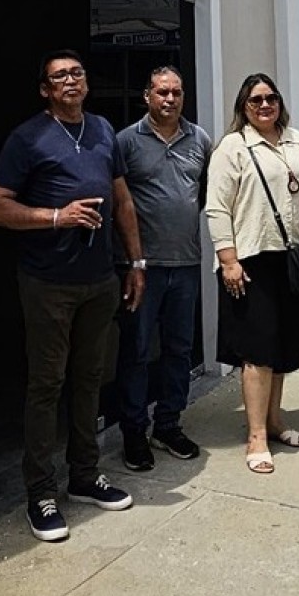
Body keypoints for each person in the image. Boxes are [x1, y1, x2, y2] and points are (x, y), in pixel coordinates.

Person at [0, 50, 145, 542]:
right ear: (45, 90)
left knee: (89, 378)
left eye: (76, 73)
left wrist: (135, 262)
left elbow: (121, 199)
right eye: (59, 76)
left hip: (99, 279)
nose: (70, 80)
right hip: (48, 282)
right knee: (47, 383)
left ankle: (83, 475)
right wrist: (56, 217)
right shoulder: (28, 138)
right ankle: (41, 493)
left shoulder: (100, 130)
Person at [205, 73, 299, 474]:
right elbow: (217, 207)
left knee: (284, 348)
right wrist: (228, 260)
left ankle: (275, 421)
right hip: (251, 258)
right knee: (258, 352)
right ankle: (255, 436)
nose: (265, 105)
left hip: (290, 254)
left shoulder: (296, 139)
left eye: (270, 98)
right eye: (256, 100)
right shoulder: (232, 148)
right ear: (244, 107)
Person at [114, 67, 213, 472]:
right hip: (142, 269)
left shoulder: (200, 140)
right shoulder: (126, 142)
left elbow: (205, 194)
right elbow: (118, 203)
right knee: (135, 351)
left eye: (176, 92)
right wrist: (131, 260)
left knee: (179, 349)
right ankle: (134, 432)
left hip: (186, 264)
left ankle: (168, 424)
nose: (169, 99)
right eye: (161, 92)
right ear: (147, 96)